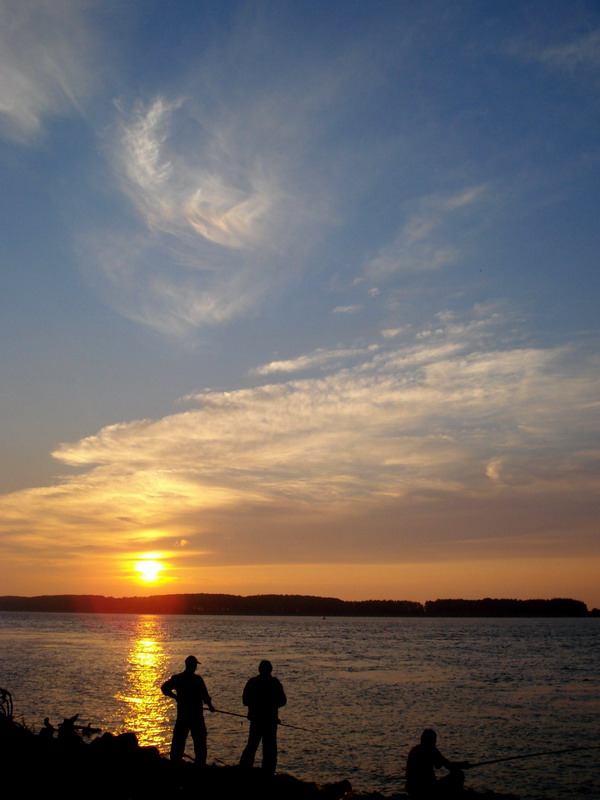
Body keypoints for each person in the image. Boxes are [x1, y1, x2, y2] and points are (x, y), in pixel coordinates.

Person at [161, 655, 215, 764]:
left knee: (179, 741)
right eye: (195, 665)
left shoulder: (178, 678)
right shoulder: (197, 679)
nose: (196, 667)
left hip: (183, 715)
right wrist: (210, 707)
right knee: (199, 742)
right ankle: (200, 763)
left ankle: (175, 762)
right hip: (196, 716)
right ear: (193, 666)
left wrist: (176, 697)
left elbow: (164, 688)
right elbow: (205, 696)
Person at [239, 659, 287, 774]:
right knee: (269, 750)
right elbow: (283, 701)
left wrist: (254, 706)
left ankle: (244, 770)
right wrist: (272, 706)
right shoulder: (275, 683)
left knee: (252, 746)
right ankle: (268, 773)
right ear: (271, 670)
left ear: (259, 669)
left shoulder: (252, 682)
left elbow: (245, 700)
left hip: (256, 721)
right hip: (270, 722)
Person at [405, 729, 470, 799]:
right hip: (428, 790)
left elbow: (440, 764)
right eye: (434, 741)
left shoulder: (414, 750)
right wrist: (463, 765)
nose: (435, 744)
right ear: (431, 741)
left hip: (412, 790)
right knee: (459, 774)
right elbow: (448, 765)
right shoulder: (430, 750)